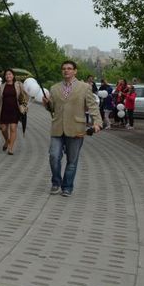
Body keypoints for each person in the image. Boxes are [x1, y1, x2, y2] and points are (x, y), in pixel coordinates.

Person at [42, 60, 102, 197]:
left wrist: (97, 123)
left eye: (69, 68)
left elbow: (93, 106)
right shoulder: (54, 88)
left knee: (72, 161)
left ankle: (67, 186)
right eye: (64, 68)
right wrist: (47, 104)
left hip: (76, 128)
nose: (66, 71)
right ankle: (56, 182)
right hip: (57, 128)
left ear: (75, 71)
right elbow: (53, 108)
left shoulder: (84, 87)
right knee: (53, 156)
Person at [0, 69, 27, 155]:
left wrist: (24, 105)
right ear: (5, 77)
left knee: (13, 128)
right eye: (6, 75)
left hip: (15, 109)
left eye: (10, 74)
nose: (8, 76)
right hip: (4, 109)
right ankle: (7, 141)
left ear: (13, 75)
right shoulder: (3, 86)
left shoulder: (18, 85)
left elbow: (25, 95)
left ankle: (10, 148)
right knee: (3, 129)